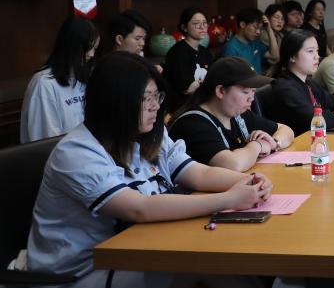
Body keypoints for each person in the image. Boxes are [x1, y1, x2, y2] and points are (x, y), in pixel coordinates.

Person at [25, 52, 272, 288]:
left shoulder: (150, 134)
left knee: (220, 252)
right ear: (114, 101)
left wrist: (249, 181)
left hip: (141, 248)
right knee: (203, 262)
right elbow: (138, 208)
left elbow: (199, 174)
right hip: (83, 273)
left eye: (157, 97)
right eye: (146, 99)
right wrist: (228, 199)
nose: (156, 107)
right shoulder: (77, 152)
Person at [169, 56, 294, 171]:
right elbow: (233, 164)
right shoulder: (192, 123)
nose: (251, 98)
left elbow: (286, 130)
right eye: (246, 92)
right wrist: (258, 145)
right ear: (220, 91)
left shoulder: (237, 113)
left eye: (253, 91)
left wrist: (274, 142)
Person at [262, 29, 334, 135]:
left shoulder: (309, 82)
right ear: (292, 56)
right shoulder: (284, 87)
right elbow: (316, 120)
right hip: (301, 142)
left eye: (317, 51)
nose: (317, 56)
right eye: (310, 51)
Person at [20, 15, 100, 143]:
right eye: (87, 48)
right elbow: (46, 141)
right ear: (71, 46)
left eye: (94, 48)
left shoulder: (84, 78)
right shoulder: (44, 84)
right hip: (61, 153)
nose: (91, 54)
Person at [163, 7, 213, 113]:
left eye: (205, 23)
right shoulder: (178, 51)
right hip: (183, 108)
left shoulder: (205, 52)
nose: (202, 27)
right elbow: (188, 88)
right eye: (196, 23)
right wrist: (205, 84)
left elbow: (213, 80)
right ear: (184, 27)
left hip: (203, 105)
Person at [221, 7, 274, 74]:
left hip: (258, 80)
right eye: (255, 27)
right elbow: (229, 76)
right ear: (242, 24)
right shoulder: (231, 48)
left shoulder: (255, 43)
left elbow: (274, 57)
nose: (258, 32)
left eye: (260, 28)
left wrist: (269, 30)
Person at [261, 3, 285, 67]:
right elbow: (274, 59)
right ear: (267, 18)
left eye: (282, 19)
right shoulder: (262, 34)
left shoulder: (281, 35)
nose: (280, 21)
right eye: (277, 17)